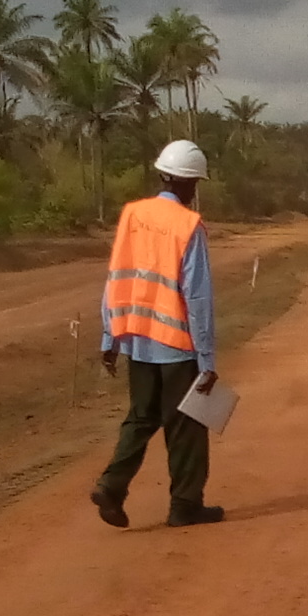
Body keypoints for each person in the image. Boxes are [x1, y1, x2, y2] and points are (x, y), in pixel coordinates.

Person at [92, 139, 220, 527]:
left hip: (137, 340)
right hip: (178, 346)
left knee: (140, 418)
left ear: (162, 174)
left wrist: (109, 337)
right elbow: (197, 296)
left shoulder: (131, 215)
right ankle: (185, 506)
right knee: (187, 426)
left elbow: (115, 277)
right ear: (191, 183)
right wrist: (208, 358)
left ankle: (112, 486)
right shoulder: (188, 225)